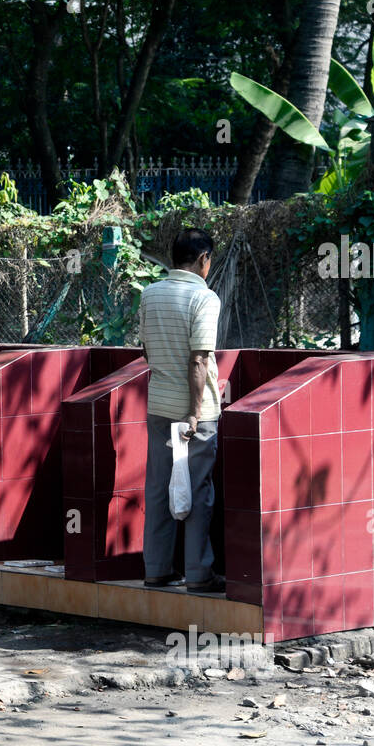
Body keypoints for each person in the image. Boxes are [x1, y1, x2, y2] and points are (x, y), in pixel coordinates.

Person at [136, 228, 224, 592]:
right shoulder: (204, 298)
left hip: (158, 406)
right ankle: (199, 573)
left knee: (159, 486)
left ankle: (156, 569)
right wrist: (192, 411)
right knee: (198, 488)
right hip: (195, 412)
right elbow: (199, 360)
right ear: (204, 259)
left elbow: (145, 351)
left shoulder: (150, 294)